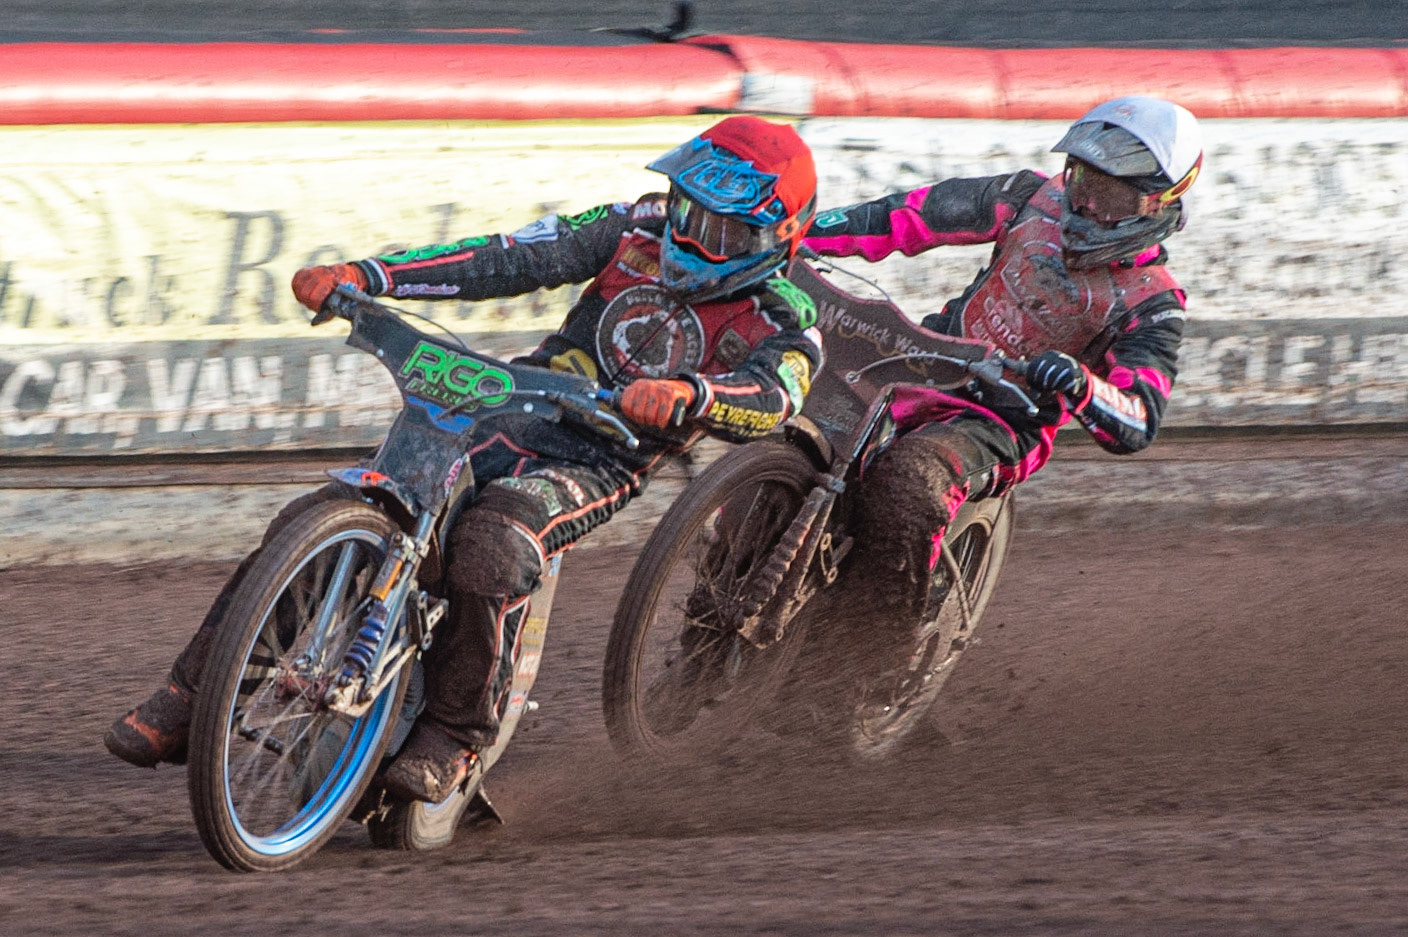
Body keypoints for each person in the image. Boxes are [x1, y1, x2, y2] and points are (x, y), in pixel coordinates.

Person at [105, 115, 824, 805]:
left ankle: (455, 732)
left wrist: (691, 394)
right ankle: (196, 694)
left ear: (777, 238)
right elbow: (504, 256)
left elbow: (775, 396)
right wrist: (368, 275)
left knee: (493, 542)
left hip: (603, 451)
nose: (692, 236)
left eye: (723, 230)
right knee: (334, 510)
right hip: (512, 403)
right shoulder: (628, 227)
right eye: (687, 212)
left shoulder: (787, 316)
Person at [802, 95, 1201, 638]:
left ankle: (867, 669)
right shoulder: (1027, 197)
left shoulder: (1151, 302)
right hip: (923, 357)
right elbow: (905, 215)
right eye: (1080, 177)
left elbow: (1138, 418)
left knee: (912, 482)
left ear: (1157, 201)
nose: (1083, 203)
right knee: (796, 418)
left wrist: (1081, 384)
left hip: (1002, 421)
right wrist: (793, 236)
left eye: (1106, 192)